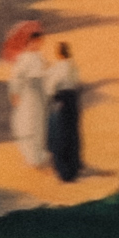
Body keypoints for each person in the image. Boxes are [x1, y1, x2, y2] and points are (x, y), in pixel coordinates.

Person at [1, 19, 48, 169]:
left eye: (40, 41)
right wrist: (15, 93)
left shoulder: (39, 57)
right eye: (36, 41)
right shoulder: (24, 59)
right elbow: (16, 78)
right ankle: (32, 157)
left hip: (40, 93)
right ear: (30, 42)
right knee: (28, 123)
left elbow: (45, 73)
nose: (39, 44)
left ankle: (39, 155)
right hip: (29, 93)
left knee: (40, 123)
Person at [43, 40, 82, 183]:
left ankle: (64, 171)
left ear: (59, 53)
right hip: (73, 100)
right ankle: (74, 166)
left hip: (61, 101)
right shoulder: (73, 66)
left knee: (59, 133)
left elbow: (51, 86)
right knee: (72, 133)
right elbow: (77, 82)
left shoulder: (59, 67)